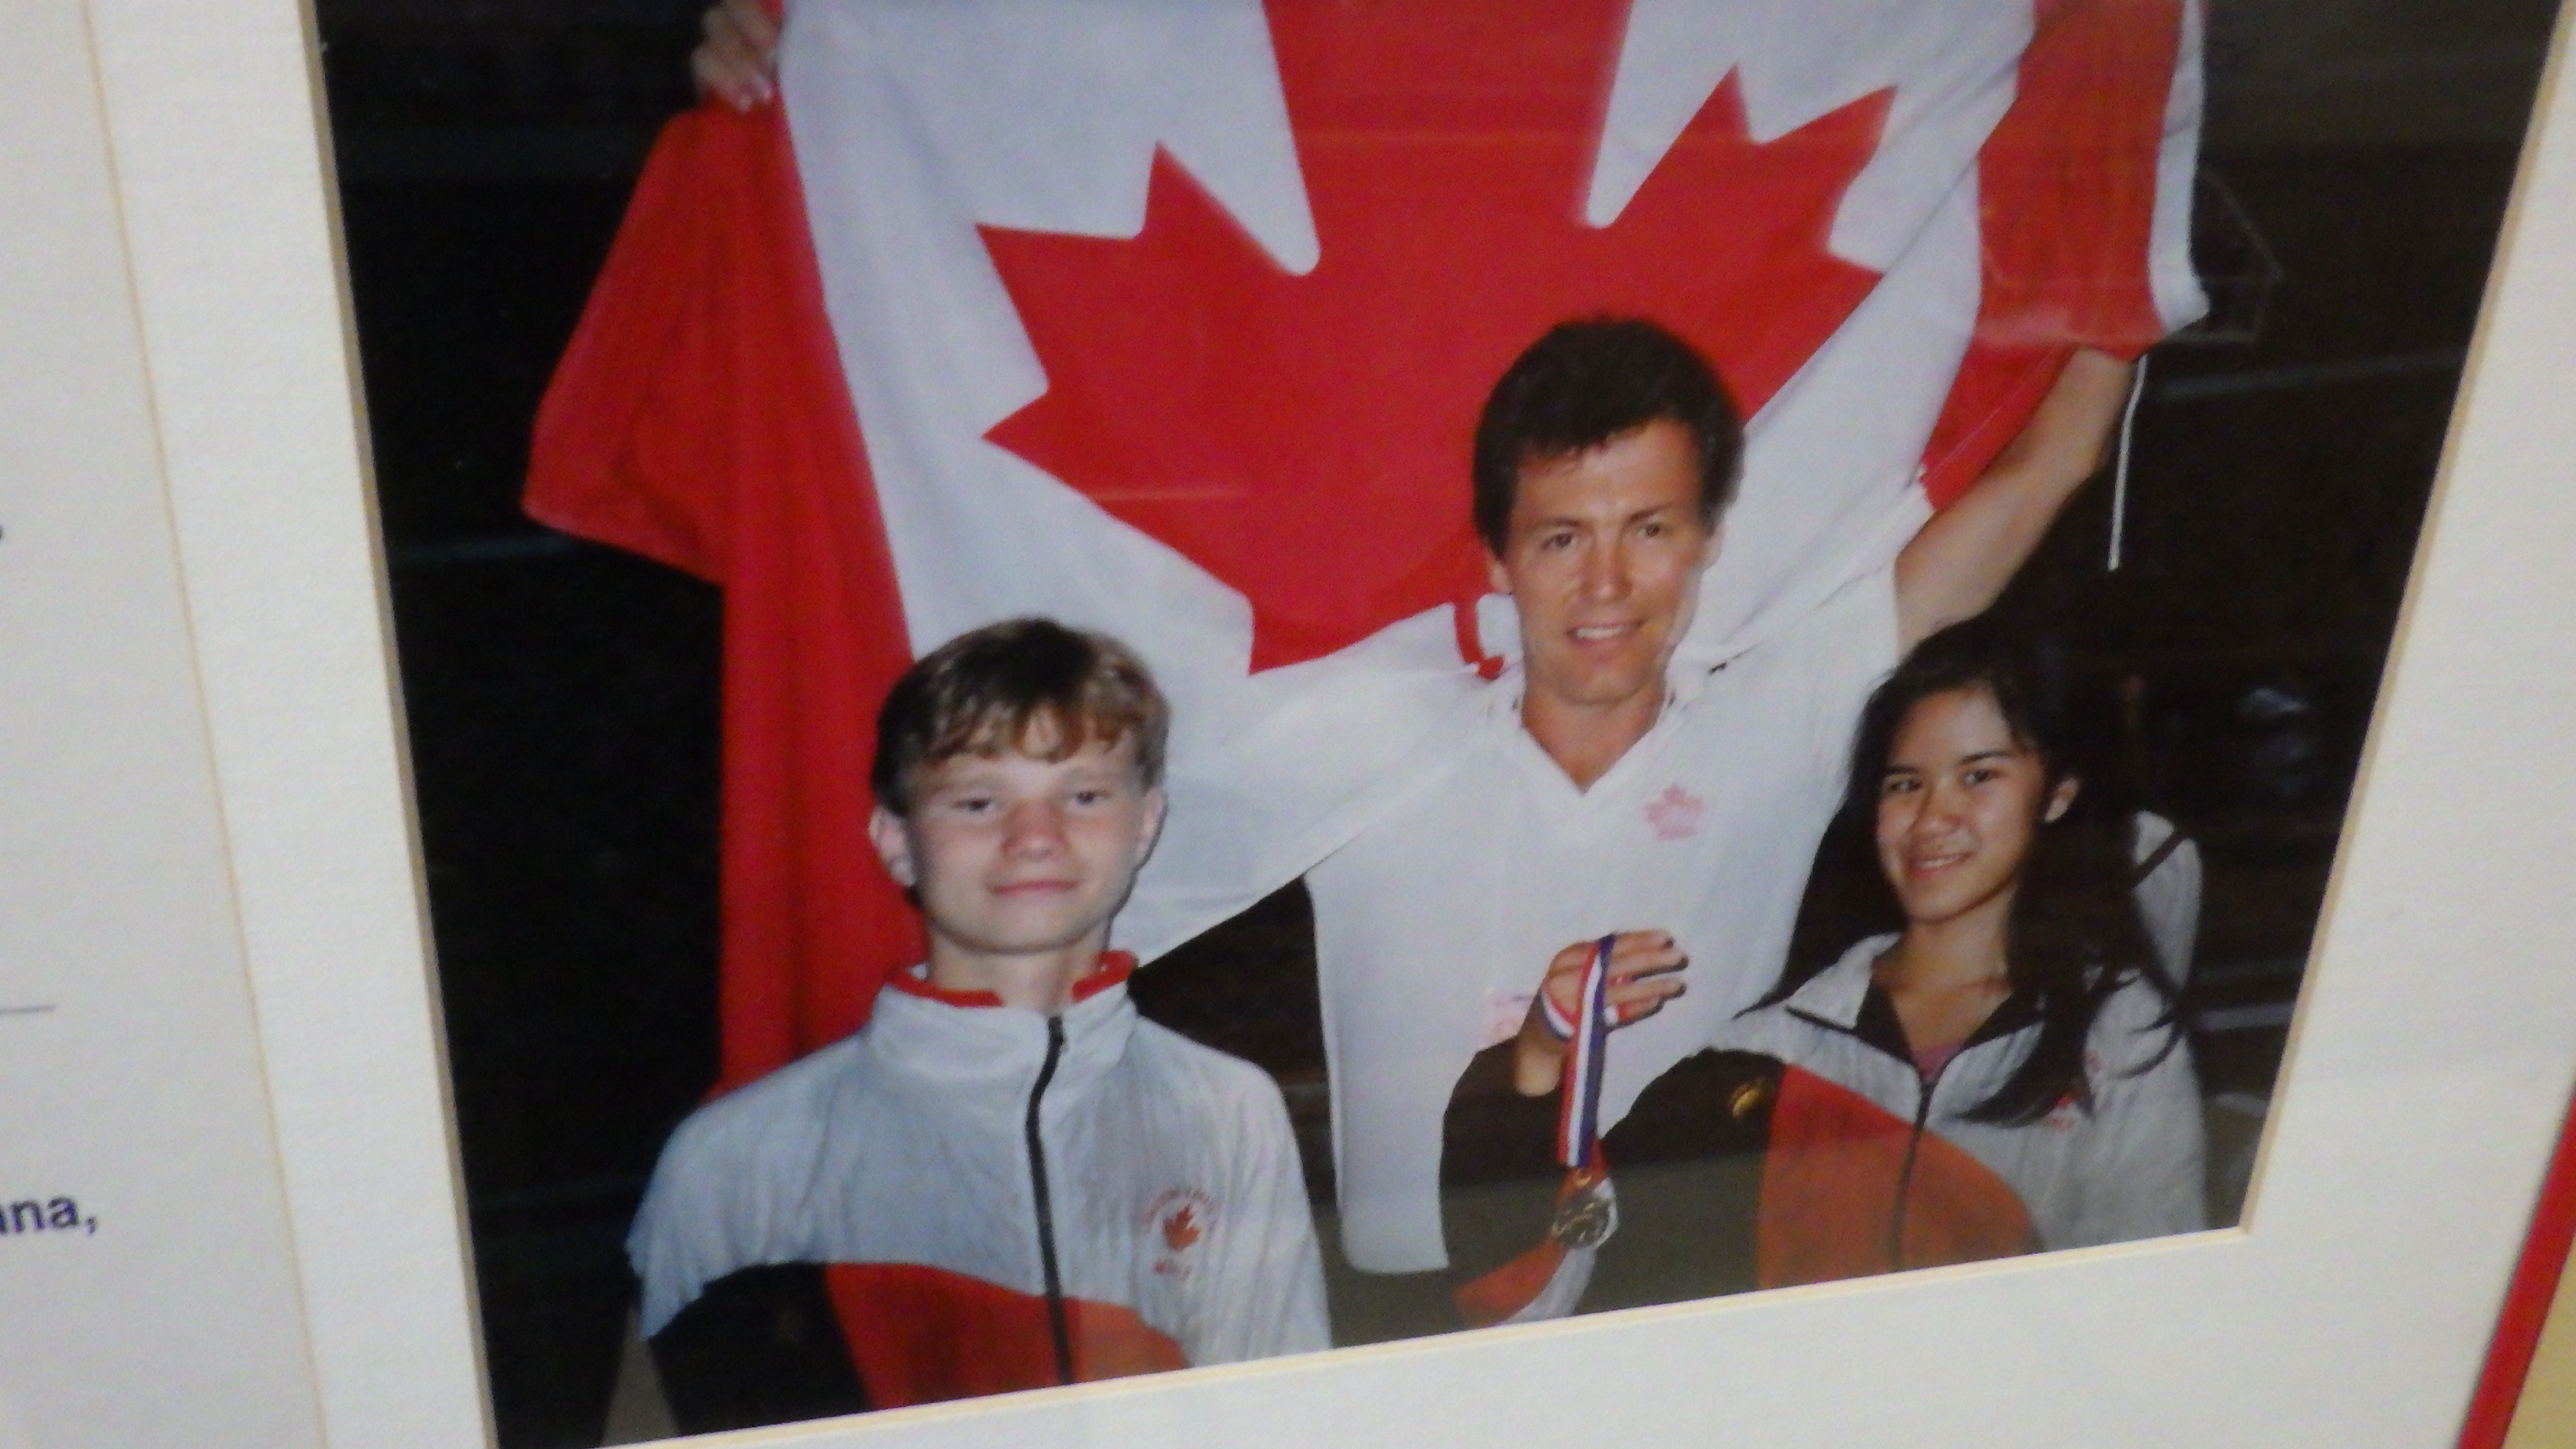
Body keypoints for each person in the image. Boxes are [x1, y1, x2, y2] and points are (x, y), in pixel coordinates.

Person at [626, 619, 1328, 1433]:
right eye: (978, 802)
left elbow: (1284, 1421)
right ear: (897, 841)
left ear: (1145, 825)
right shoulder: (739, 1161)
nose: (1035, 839)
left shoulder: (1227, 1109)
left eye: (1084, 796)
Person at [1446, 617, 2205, 1321]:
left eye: (1979, 776)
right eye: (1905, 784)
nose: (1932, 819)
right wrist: (1540, 1057)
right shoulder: (1773, 1051)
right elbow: (1550, 1295)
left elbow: (2154, 1312)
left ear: (2058, 793)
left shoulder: (2119, 1036)